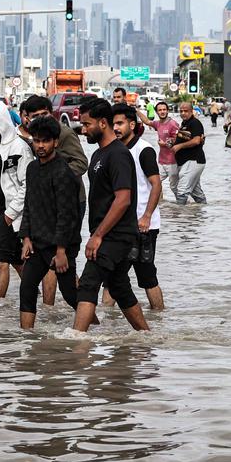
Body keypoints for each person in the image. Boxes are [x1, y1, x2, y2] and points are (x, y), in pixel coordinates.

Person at [70, 98, 151, 332]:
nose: (83, 129)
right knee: (119, 287)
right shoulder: (97, 156)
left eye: (87, 124)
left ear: (103, 123)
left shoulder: (118, 154)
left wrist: (98, 236)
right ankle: (146, 337)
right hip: (106, 233)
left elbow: (123, 199)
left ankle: (77, 341)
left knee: (87, 284)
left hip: (116, 235)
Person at [17, 115, 82, 329]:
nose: (41, 145)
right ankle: (26, 340)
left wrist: (62, 251)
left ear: (55, 141)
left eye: (45, 141)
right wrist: (26, 237)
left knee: (71, 294)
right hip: (37, 242)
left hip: (60, 246)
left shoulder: (63, 171)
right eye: (36, 141)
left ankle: (95, 328)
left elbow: (67, 214)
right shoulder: (32, 169)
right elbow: (29, 204)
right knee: (26, 289)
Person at [112, 103, 166, 310]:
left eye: (120, 123)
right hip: (122, 225)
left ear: (132, 125)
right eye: (113, 123)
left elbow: (156, 184)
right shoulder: (117, 151)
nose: (115, 128)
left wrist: (146, 216)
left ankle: (159, 317)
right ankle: (105, 322)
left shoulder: (144, 150)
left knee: (146, 275)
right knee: (113, 274)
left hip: (144, 226)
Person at [0, 99, 31, 299]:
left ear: (1, 123)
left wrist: (11, 214)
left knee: (1, 261)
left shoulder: (19, 147)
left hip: (11, 213)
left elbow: (26, 184)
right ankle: (32, 293)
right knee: (17, 260)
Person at [138, 101, 181, 200]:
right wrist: (137, 111)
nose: (162, 112)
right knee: (153, 183)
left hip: (173, 162)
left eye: (164, 110)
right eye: (160, 110)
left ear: (167, 111)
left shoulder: (173, 124)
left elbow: (178, 140)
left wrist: (165, 144)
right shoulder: (158, 124)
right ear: (157, 112)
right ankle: (159, 203)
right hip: (161, 161)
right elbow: (147, 122)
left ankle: (183, 207)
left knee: (174, 187)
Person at [172, 101, 207, 204]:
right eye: (181, 111)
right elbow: (185, 139)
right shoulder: (184, 124)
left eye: (186, 111)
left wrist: (179, 146)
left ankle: (180, 217)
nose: (183, 113)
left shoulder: (195, 123)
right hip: (185, 162)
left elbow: (196, 141)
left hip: (194, 160)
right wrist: (173, 143)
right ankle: (201, 214)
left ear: (192, 111)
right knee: (196, 193)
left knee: (182, 190)